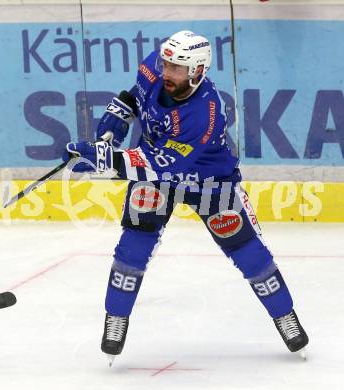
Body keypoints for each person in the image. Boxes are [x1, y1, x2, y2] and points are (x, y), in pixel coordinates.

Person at [62, 30, 309, 365]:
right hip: (155, 175)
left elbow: (161, 164)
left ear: (197, 71)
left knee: (248, 253)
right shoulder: (155, 69)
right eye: (166, 64)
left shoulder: (205, 111)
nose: (167, 72)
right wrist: (111, 128)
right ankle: (116, 317)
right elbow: (134, 97)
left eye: (177, 69)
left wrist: (103, 158)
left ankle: (284, 315)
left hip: (207, 181)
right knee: (133, 247)